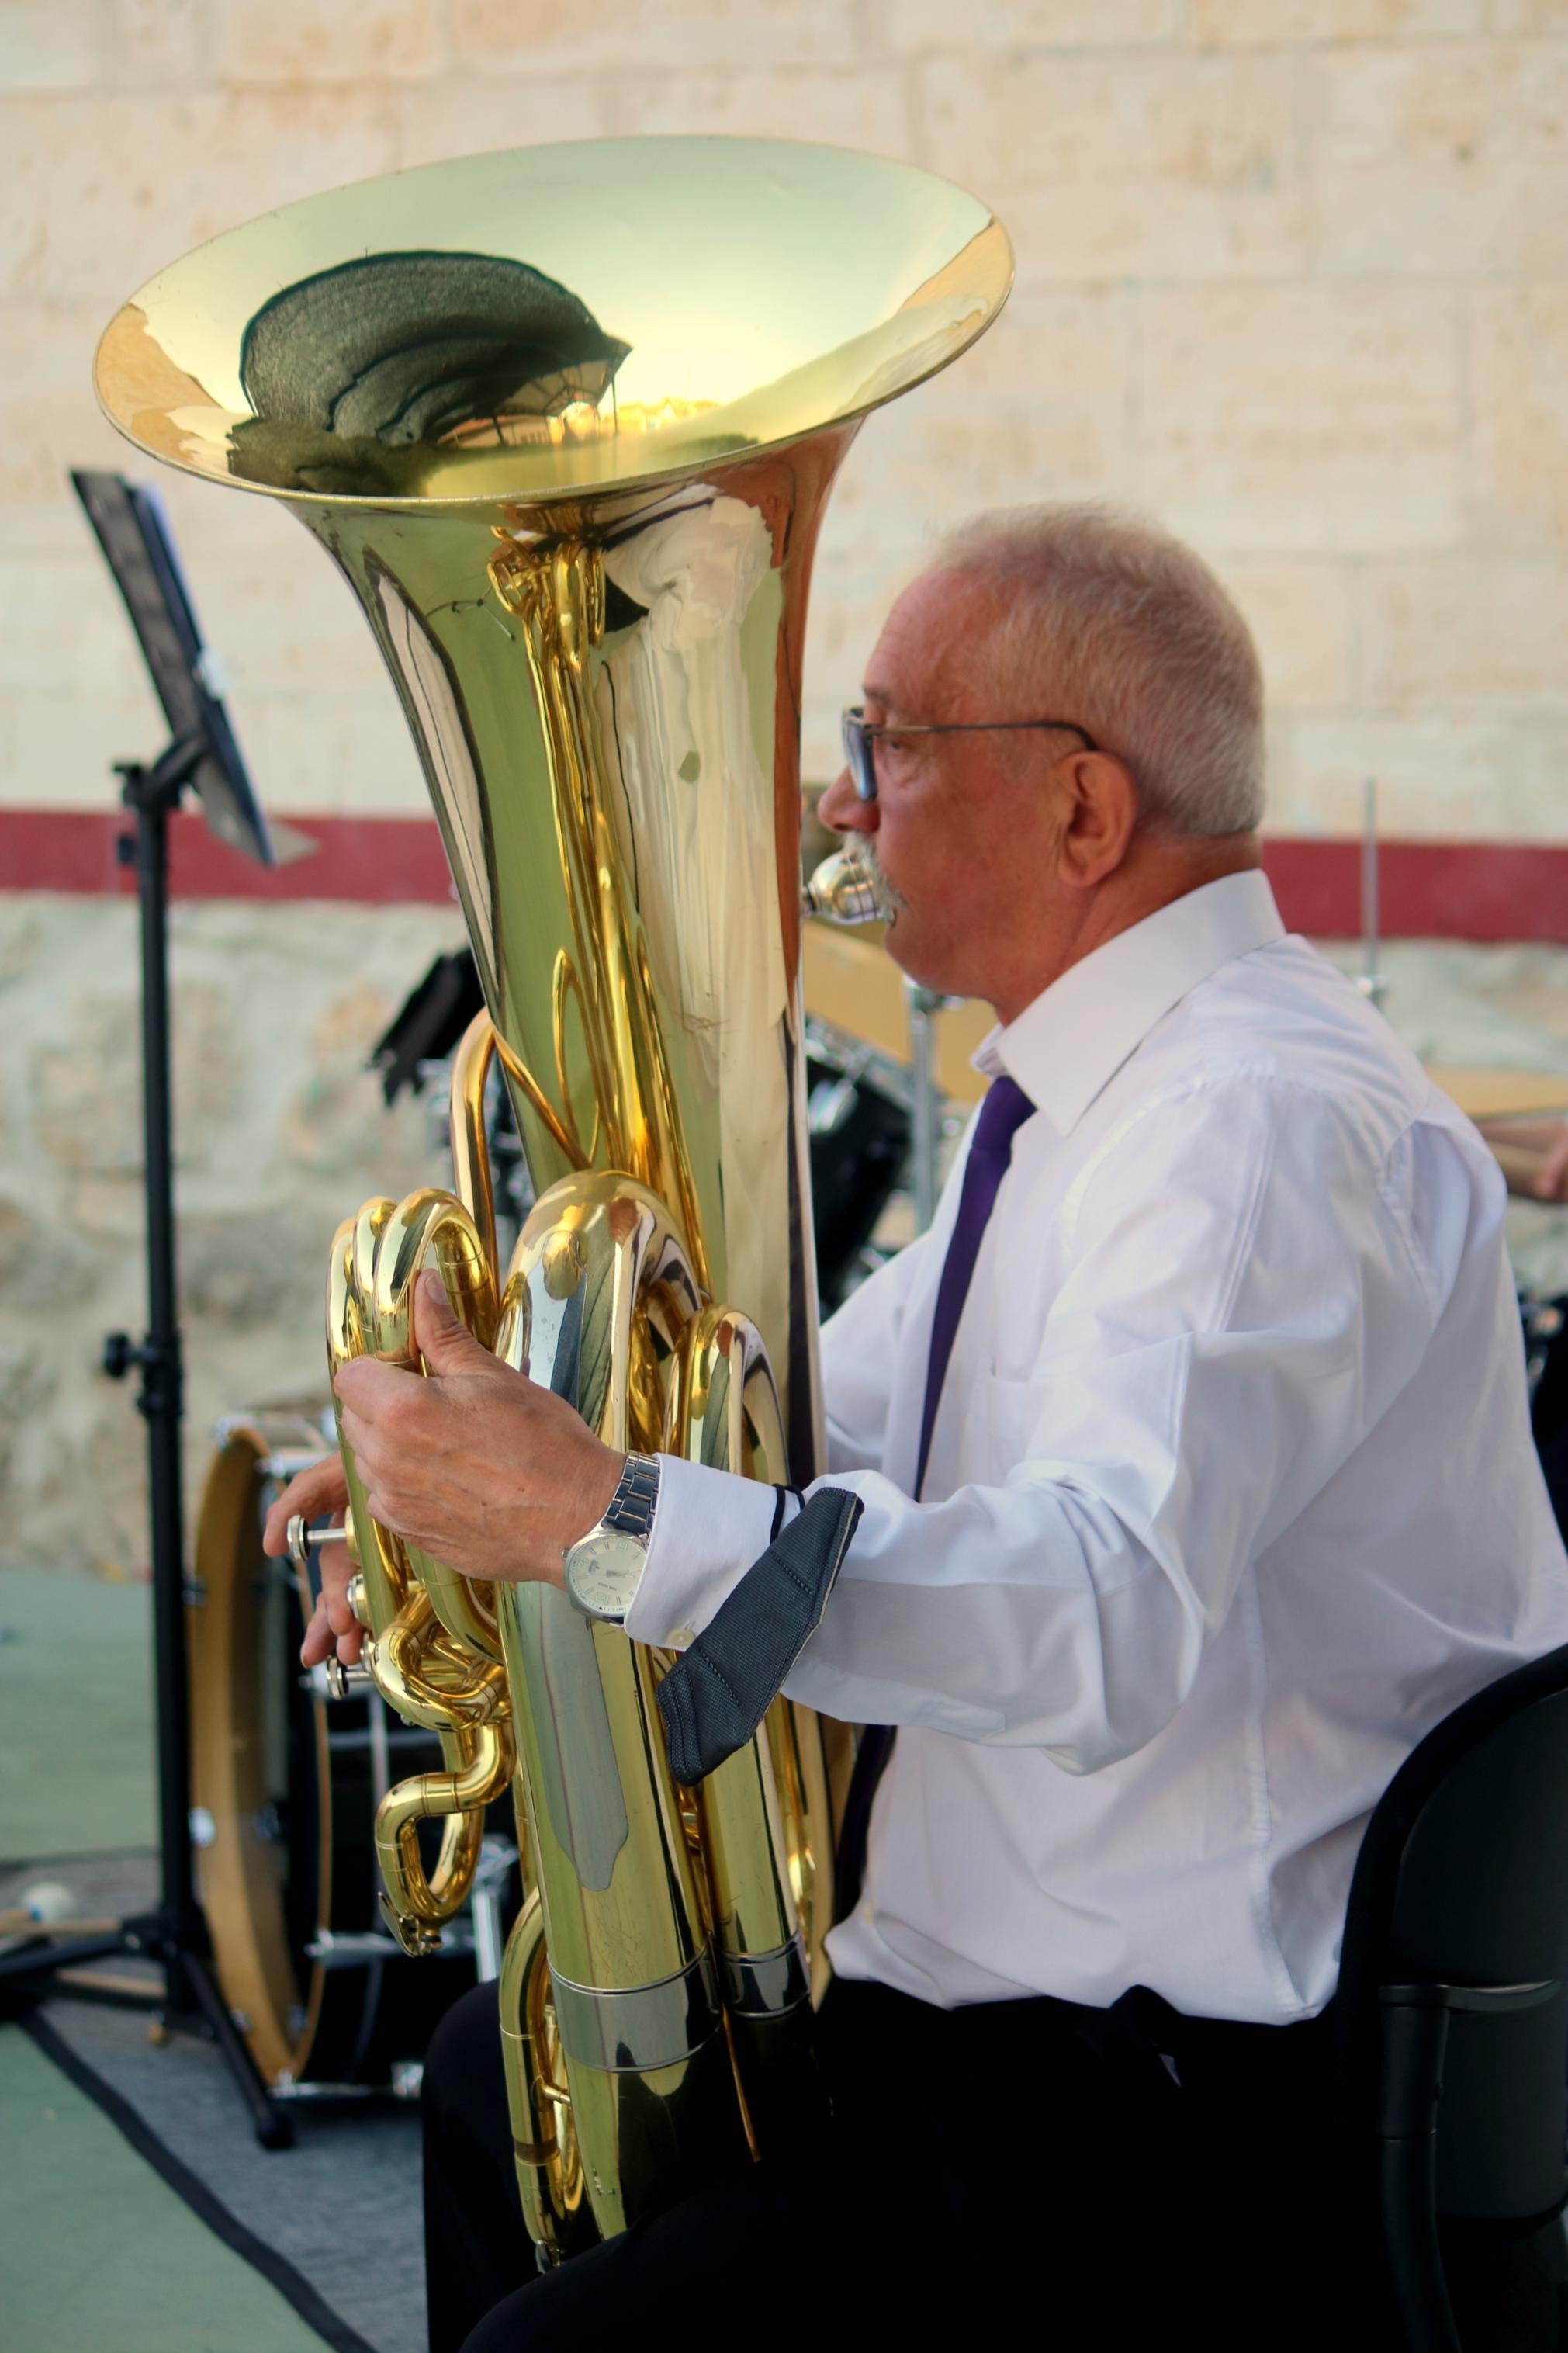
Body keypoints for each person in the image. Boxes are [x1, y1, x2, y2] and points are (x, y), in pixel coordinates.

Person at [265, 504, 1568, 2349]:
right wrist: (468, 1474)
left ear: (1084, 813)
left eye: (886, 743)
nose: (842, 807)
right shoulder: (1085, 1088)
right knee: (501, 2074)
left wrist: (597, 1516)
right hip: (1006, 2010)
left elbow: (1104, 1612)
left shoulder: (1251, 1119)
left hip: (1184, 2107)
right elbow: (819, 1415)